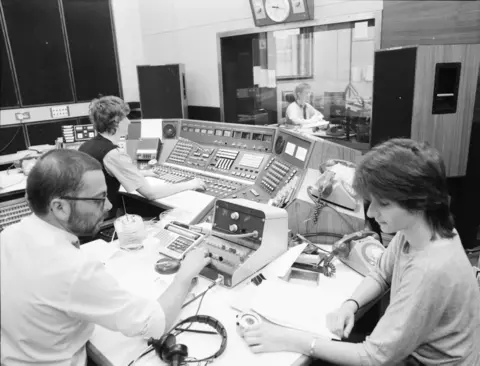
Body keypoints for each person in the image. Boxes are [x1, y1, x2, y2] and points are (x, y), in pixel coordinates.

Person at [242, 138, 480, 365]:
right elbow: (381, 274)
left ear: (419, 202)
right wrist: (351, 304)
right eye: (371, 201)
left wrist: (289, 339)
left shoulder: (430, 270)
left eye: (383, 204)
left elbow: (373, 357)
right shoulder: (417, 231)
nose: (370, 213)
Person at [0, 149, 211, 366]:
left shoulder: (9, 236)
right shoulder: (72, 270)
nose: (109, 206)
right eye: (100, 199)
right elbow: (156, 324)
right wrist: (185, 275)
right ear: (59, 207)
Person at [79, 96, 206, 219]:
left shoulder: (87, 145)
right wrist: (190, 184)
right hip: (101, 217)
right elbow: (151, 193)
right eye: (125, 118)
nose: (129, 122)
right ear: (115, 121)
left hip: (85, 215)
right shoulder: (113, 153)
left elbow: (107, 174)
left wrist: (143, 172)